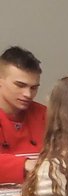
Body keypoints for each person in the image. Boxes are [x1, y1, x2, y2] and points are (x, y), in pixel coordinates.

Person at [0, 46, 44, 184]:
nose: (28, 94)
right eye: (20, 85)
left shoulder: (47, 115)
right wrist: (25, 165)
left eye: (34, 88)